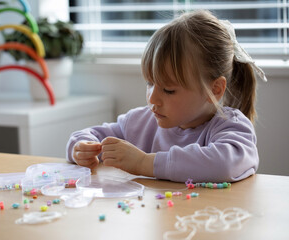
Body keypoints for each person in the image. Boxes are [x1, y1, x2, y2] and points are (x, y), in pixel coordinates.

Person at [66, 10, 267, 182]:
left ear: (214, 89)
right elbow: (91, 136)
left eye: (169, 90)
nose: (152, 99)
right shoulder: (141, 122)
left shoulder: (229, 126)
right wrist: (80, 148)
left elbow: (226, 164)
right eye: (150, 83)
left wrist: (144, 163)